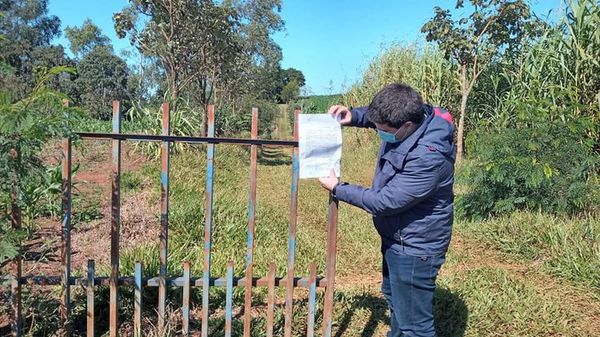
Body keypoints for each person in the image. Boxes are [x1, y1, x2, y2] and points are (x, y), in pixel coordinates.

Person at [319, 83, 455, 337]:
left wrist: (338, 188)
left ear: (406, 126)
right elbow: (381, 118)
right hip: (399, 238)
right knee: (397, 302)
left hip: (415, 248)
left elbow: (385, 201)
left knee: (416, 327)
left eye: (383, 130)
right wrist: (355, 116)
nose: (379, 132)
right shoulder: (415, 116)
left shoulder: (429, 157)